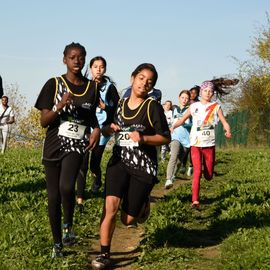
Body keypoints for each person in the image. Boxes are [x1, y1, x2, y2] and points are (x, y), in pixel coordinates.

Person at [91, 63, 170, 269]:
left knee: (127, 220)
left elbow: (164, 138)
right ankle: (104, 255)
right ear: (132, 78)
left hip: (143, 165)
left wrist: (143, 137)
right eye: (141, 78)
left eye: (149, 81)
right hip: (118, 160)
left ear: (152, 87)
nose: (144, 83)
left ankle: (142, 204)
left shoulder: (152, 106)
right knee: (110, 207)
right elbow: (106, 127)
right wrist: (109, 128)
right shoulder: (120, 104)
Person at [35, 42, 100, 258]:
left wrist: (97, 129)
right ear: (64, 59)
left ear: (84, 60)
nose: (77, 61)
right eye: (72, 57)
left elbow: (91, 117)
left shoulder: (92, 88)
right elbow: (44, 121)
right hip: (53, 145)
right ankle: (57, 244)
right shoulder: (53, 84)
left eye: (81, 57)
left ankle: (68, 225)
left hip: (76, 145)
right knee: (53, 197)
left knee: (65, 187)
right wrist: (59, 105)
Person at [171, 79, 235, 210]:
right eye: (205, 90)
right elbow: (182, 120)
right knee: (197, 172)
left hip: (209, 145)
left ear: (213, 93)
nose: (208, 93)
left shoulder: (216, 106)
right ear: (201, 92)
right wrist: (172, 127)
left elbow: (224, 121)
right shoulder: (194, 106)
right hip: (196, 144)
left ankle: (208, 173)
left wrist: (227, 130)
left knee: (209, 175)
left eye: (210, 91)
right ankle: (195, 200)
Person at [76, 56, 119, 211]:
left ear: (105, 69)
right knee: (83, 161)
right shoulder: (84, 83)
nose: (98, 69)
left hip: (102, 127)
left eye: (101, 67)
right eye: (95, 66)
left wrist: (104, 106)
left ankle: (97, 177)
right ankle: (80, 198)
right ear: (91, 68)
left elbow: (116, 108)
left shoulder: (109, 87)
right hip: (86, 127)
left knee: (95, 161)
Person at [165, 90, 191, 189]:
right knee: (173, 156)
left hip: (186, 139)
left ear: (189, 100)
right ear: (179, 98)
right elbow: (171, 122)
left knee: (180, 160)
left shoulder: (190, 110)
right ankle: (168, 179)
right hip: (175, 137)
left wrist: (185, 123)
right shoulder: (174, 110)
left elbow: (193, 124)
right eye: (183, 97)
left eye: (186, 98)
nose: (184, 100)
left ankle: (173, 175)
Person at [186, 85, 200, 176]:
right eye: (191, 92)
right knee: (185, 148)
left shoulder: (199, 103)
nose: (193, 94)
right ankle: (183, 164)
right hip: (185, 127)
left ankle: (191, 165)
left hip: (194, 128)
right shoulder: (186, 101)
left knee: (192, 148)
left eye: (195, 93)